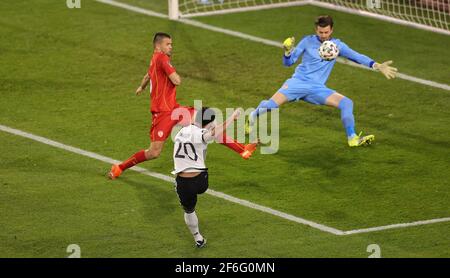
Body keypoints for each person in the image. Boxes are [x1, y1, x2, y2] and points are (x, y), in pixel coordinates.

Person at [108, 32, 257, 179]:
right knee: (154, 152)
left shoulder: (154, 58)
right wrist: (174, 76)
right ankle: (120, 167)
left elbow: (147, 75)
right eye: (168, 44)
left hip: (175, 110)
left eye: (171, 44)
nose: (171, 47)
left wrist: (142, 87)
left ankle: (243, 150)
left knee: (208, 123)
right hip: (162, 114)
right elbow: (176, 81)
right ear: (158, 45)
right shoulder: (162, 59)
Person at [246, 15, 398, 147]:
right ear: (316, 30)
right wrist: (287, 52)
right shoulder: (307, 41)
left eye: (326, 32)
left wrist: (377, 65)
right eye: (320, 32)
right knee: (271, 106)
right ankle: (252, 116)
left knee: (347, 103)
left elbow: (356, 56)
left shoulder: (337, 46)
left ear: (331, 30)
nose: (324, 35)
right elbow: (288, 63)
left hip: (317, 88)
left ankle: (352, 138)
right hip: (298, 82)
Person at [173, 107, 242, 248]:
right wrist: (232, 117)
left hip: (183, 182)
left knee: (189, 210)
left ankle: (197, 237)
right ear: (209, 123)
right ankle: (198, 237)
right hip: (201, 181)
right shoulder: (201, 134)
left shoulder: (180, 132)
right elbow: (213, 134)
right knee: (203, 151)